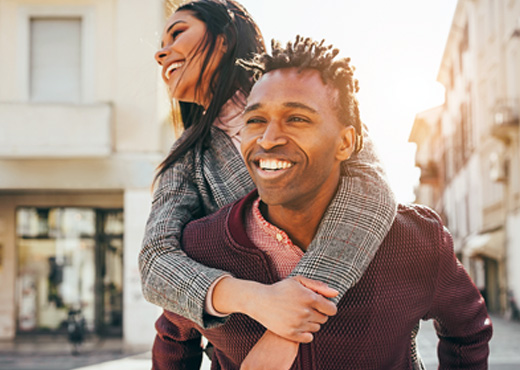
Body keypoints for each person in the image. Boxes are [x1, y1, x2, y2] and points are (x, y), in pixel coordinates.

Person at [152, 37, 493, 370]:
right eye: (255, 121)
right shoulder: (202, 244)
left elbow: (468, 329)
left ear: (345, 143)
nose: (268, 139)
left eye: (297, 119)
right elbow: (173, 338)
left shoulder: (415, 239)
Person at [140, 0, 397, 345]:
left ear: (224, 38)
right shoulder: (188, 156)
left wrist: (287, 330)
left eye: (177, 33)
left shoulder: (306, 89)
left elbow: (371, 191)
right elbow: (156, 261)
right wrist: (254, 300)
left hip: (363, 339)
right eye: (161, 46)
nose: (162, 54)